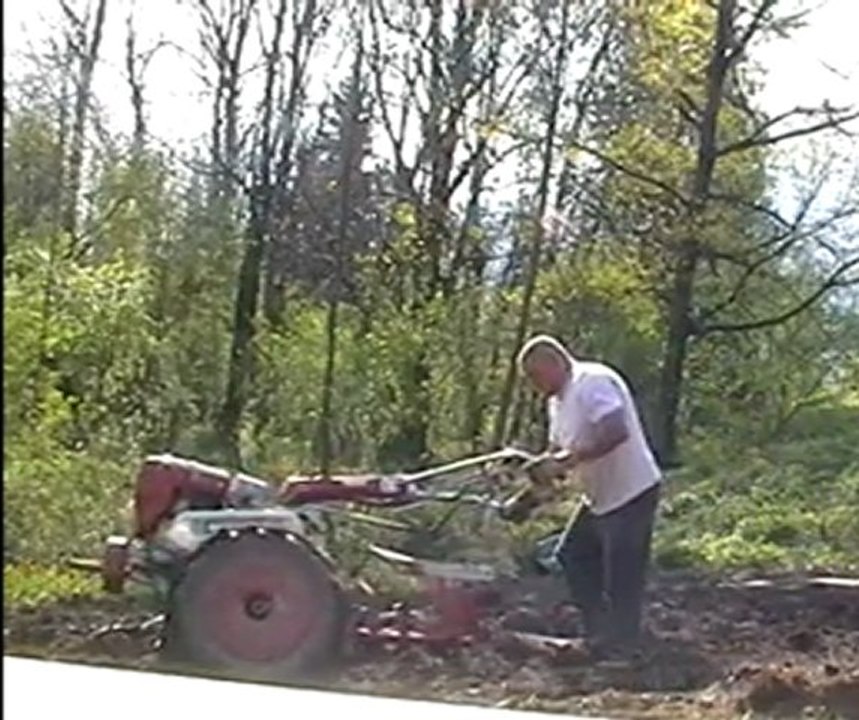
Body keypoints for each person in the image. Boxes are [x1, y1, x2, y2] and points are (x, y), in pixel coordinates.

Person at [511, 334, 662, 659]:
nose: (534, 385)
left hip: (631, 492)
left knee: (622, 575)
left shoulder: (592, 381)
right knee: (573, 556)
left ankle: (625, 649)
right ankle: (599, 632)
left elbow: (615, 430)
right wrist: (526, 499)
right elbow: (556, 458)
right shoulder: (557, 402)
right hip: (600, 497)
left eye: (535, 376)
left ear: (554, 362)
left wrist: (566, 461)